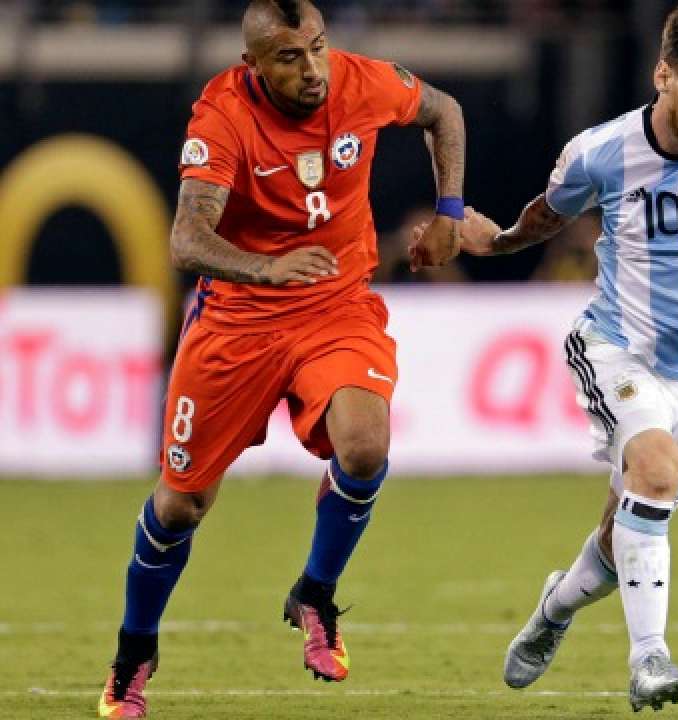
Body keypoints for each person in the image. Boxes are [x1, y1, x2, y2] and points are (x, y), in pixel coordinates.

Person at [97, 1, 467, 716]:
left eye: (318, 47)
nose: (313, 69)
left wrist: (450, 213)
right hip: (237, 322)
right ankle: (134, 651)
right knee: (180, 505)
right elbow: (186, 240)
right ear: (254, 65)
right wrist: (264, 269)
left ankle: (315, 594)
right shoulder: (223, 116)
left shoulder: (362, 82)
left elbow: (444, 111)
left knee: (366, 446)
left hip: (336, 306)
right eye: (290, 58)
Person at [453, 2, 678, 710]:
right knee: (654, 468)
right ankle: (650, 659)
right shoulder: (601, 151)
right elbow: (549, 214)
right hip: (621, 346)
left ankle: (555, 607)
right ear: (664, 74)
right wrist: (496, 242)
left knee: (624, 530)